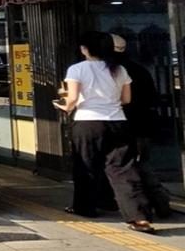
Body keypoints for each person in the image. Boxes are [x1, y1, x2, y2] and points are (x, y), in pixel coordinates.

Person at [55, 31, 155, 233]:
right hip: (118, 122)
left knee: (86, 166)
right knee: (123, 169)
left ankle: (84, 207)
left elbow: (71, 99)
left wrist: (63, 106)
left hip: (88, 122)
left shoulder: (77, 69)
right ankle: (139, 217)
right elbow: (126, 100)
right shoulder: (119, 69)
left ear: (85, 49)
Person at [111, 34, 173, 219]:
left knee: (129, 166)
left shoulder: (115, 71)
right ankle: (160, 202)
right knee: (141, 163)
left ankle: (153, 203)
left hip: (124, 124)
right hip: (143, 124)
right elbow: (152, 97)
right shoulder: (139, 69)